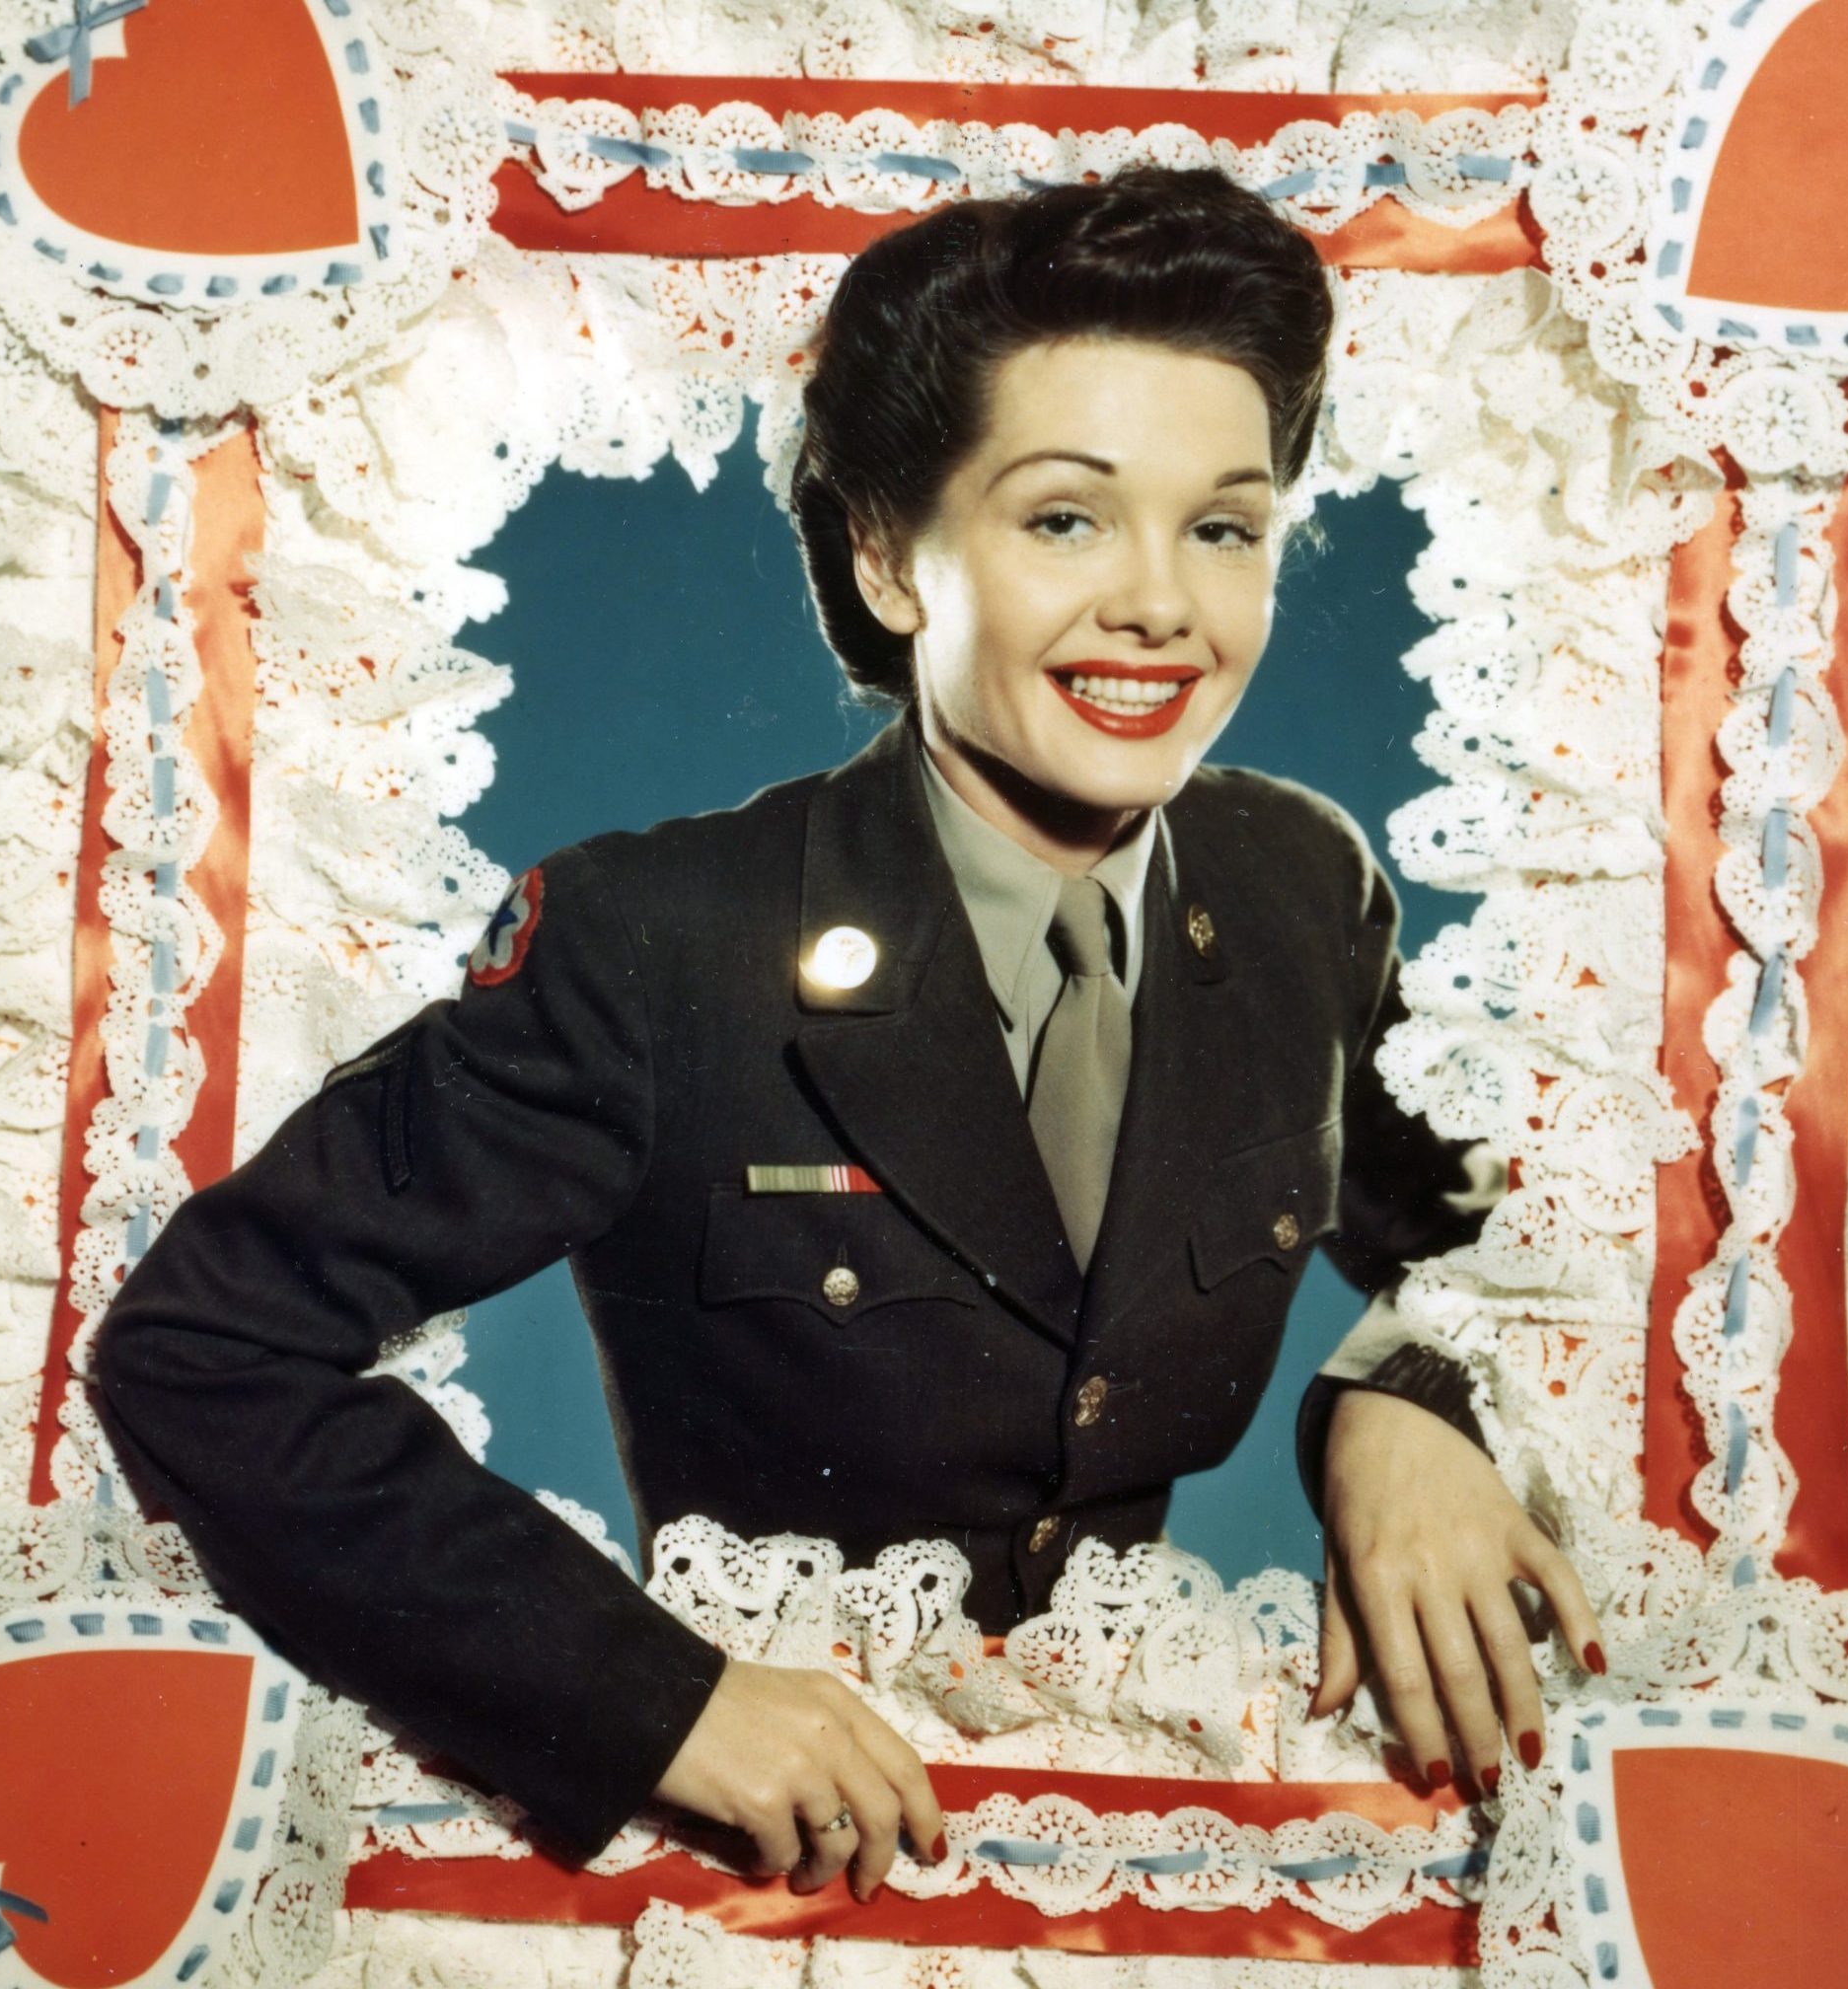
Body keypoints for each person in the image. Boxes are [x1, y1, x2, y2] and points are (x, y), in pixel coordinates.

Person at [94, 163, 1603, 1909]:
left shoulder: (1295, 889)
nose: (1162, 608)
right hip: (761, 1891)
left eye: (1225, 526)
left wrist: (1397, 1404)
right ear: (892, 555)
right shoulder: (662, 939)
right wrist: (654, 1702)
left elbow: (1518, 1249)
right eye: (1064, 519)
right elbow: (202, 1348)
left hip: (1146, 1876)